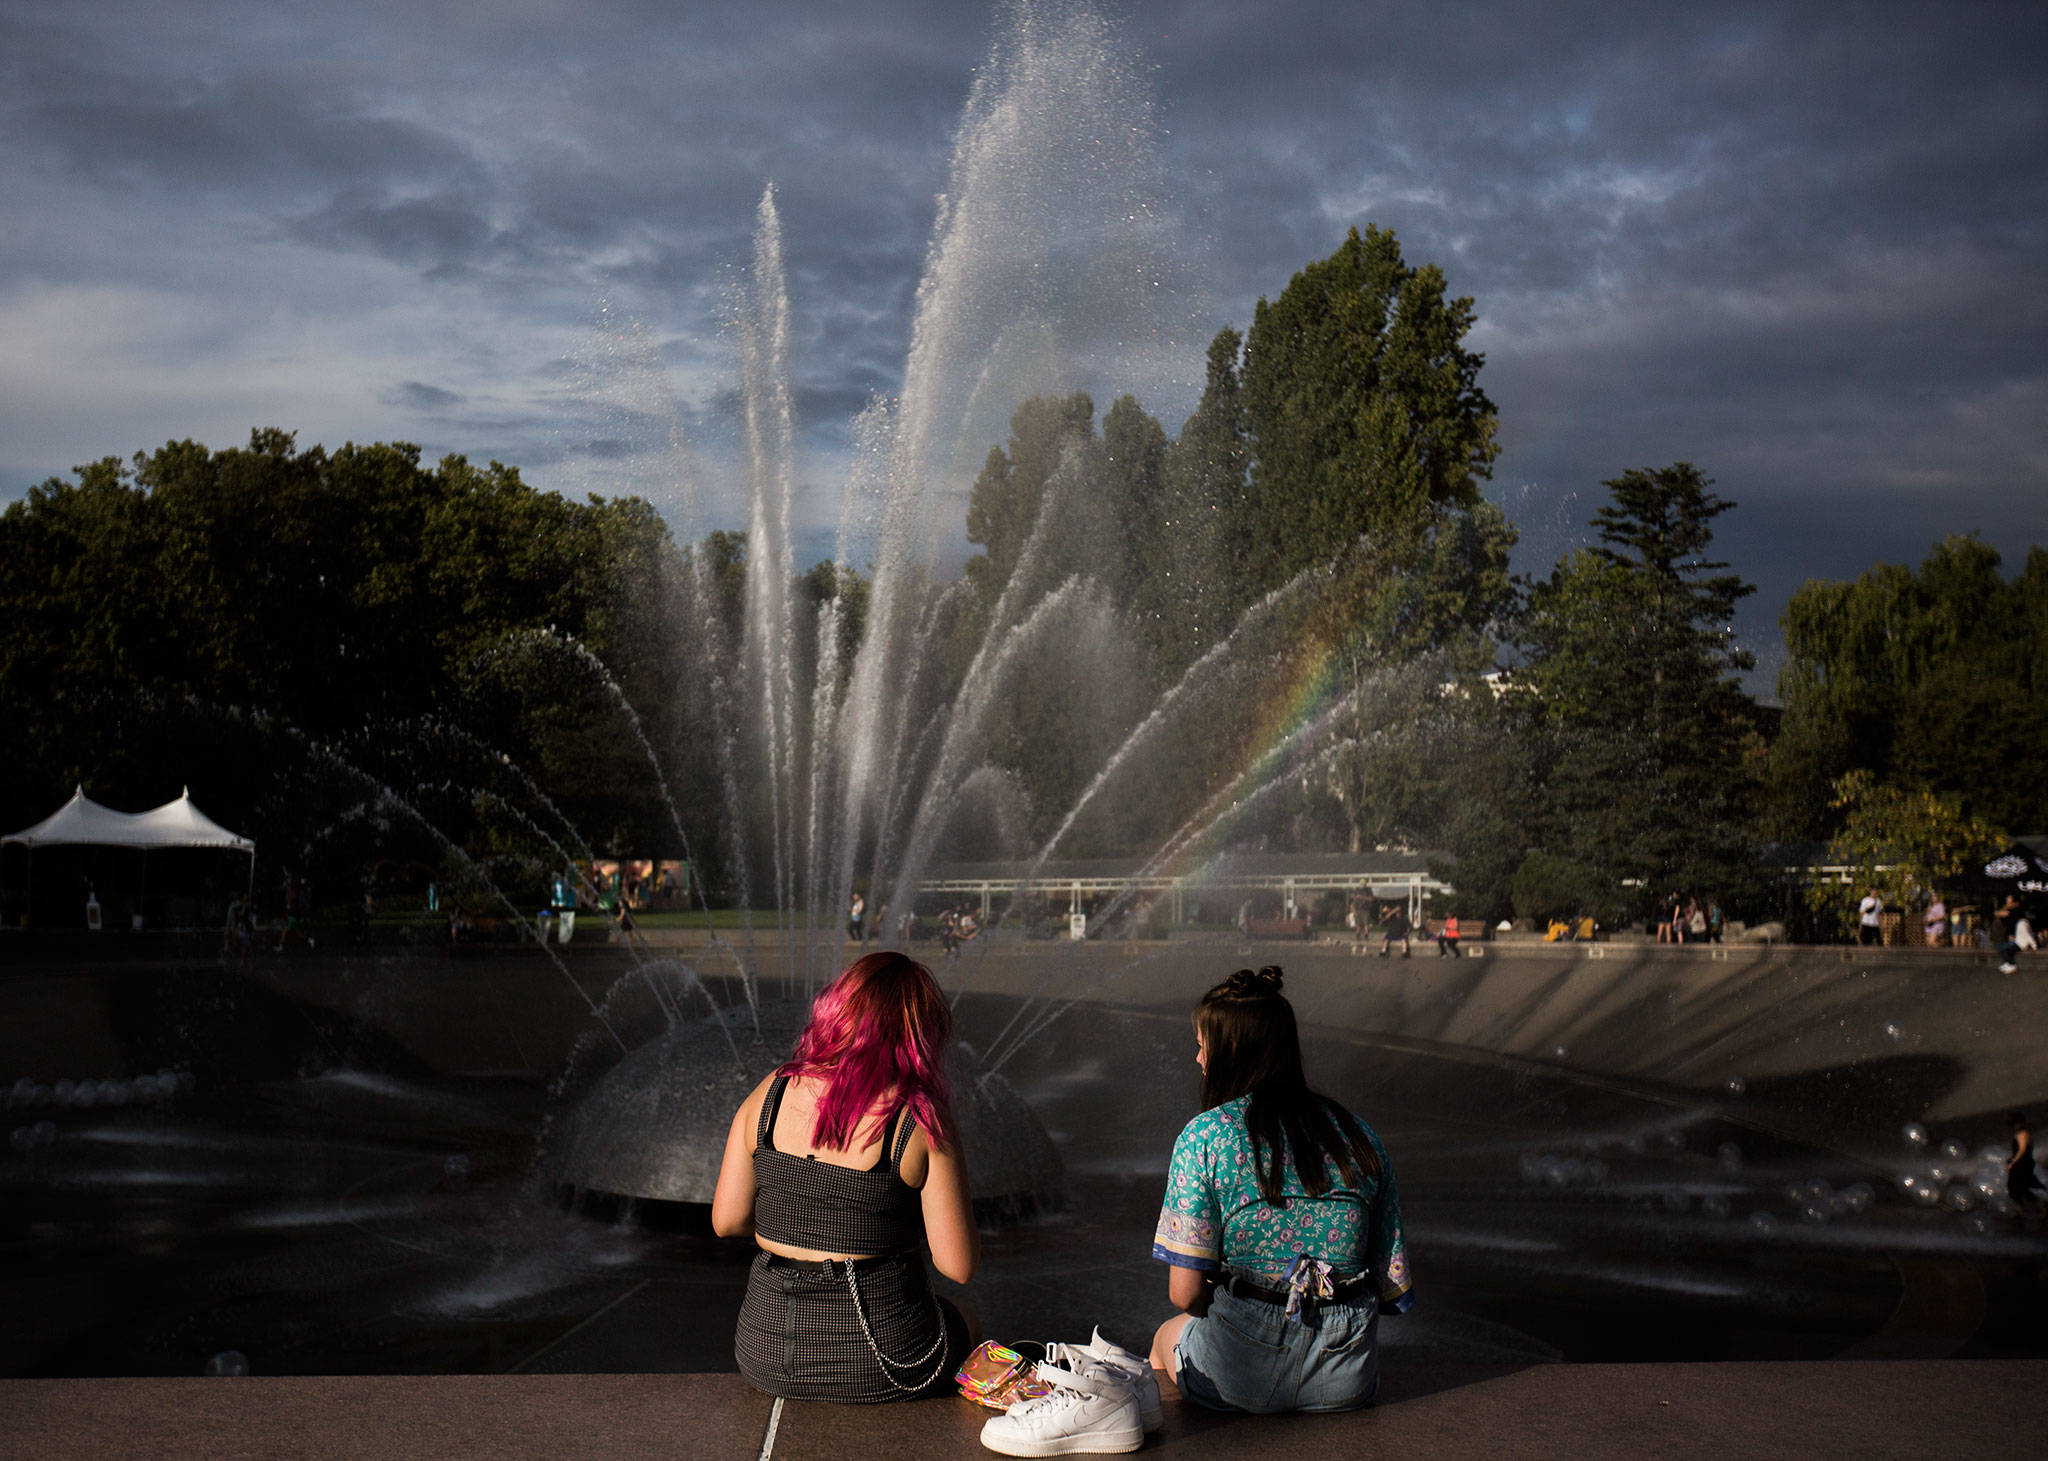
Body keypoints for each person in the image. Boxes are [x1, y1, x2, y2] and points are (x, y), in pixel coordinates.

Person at [711, 952, 978, 1402]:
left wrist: (801, 1217)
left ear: (835, 1011)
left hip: (762, 1354)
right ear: (920, 1034)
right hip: (882, 1361)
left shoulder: (772, 1090)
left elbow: (726, 1221)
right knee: (963, 1317)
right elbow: (958, 1266)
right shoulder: (917, 1119)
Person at [1148, 967, 1410, 1415]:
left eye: (1201, 1045)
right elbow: (1392, 1284)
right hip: (1346, 1377)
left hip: (1238, 1372)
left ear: (1230, 1050)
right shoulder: (1357, 1135)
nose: (1198, 1059)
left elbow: (1185, 1295)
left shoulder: (1206, 1137)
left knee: (1163, 1339)